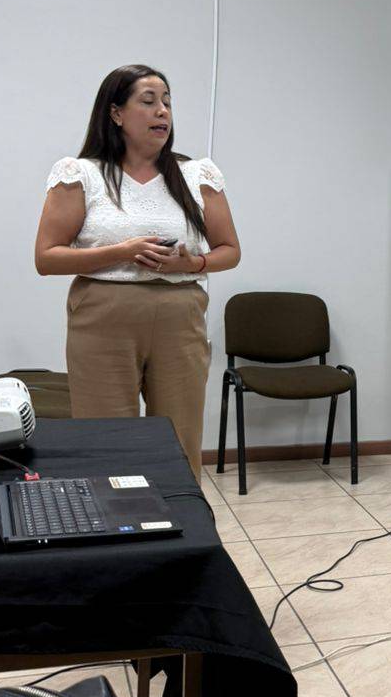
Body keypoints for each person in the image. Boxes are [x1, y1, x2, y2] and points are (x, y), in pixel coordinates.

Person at [34, 64, 240, 480]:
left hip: (180, 319)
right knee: (107, 440)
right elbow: (47, 258)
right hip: (103, 320)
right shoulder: (82, 174)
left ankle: (180, 517)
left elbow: (230, 251)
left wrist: (193, 264)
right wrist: (123, 251)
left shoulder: (196, 175)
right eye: (148, 101)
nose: (162, 111)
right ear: (116, 113)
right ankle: (116, 519)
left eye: (167, 102)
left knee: (180, 437)